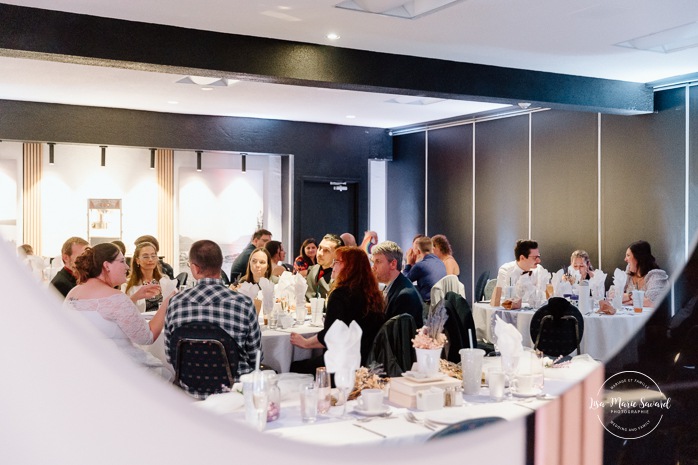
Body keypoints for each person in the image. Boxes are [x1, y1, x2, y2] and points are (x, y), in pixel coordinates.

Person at [63, 242, 173, 380]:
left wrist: (134, 297)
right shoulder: (115, 297)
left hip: (86, 368)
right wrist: (167, 303)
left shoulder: (74, 292)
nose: (127, 266)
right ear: (106, 266)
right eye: (122, 261)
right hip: (121, 371)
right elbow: (147, 337)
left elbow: (104, 315)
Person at [165, 240, 261, 391]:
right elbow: (256, 357)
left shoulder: (175, 303)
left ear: (195, 268)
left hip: (189, 392)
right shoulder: (243, 303)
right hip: (234, 393)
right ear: (220, 265)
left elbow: (170, 356)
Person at [290, 246, 386, 373]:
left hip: (341, 364)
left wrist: (305, 343)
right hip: (367, 359)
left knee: (293, 367)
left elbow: (331, 335)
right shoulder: (373, 294)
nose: (332, 265)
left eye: (336, 262)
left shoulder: (340, 295)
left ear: (350, 267)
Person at [371, 241, 424, 327]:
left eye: (378, 261)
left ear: (393, 264)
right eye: (373, 262)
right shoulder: (392, 286)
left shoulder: (404, 296)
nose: (373, 267)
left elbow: (393, 335)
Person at [623, 240, 669, 306]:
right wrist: (640, 299)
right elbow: (613, 295)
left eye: (628, 255)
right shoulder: (629, 273)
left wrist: (629, 296)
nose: (625, 259)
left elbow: (652, 301)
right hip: (630, 314)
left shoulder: (656, 275)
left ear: (638, 257)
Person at [403, 236, 447, 303]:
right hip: (441, 302)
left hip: (428, 304)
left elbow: (404, 281)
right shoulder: (441, 262)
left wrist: (408, 263)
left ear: (418, 251)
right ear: (432, 249)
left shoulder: (420, 266)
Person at [125, 241, 164, 312]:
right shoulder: (127, 284)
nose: (150, 259)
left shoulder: (164, 280)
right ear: (137, 261)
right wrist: (136, 297)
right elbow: (122, 309)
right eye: (145, 257)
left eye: (153, 256)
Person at [305, 234, 344, 301]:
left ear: (337, 255)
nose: (320, 253)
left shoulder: (341, 276)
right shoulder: (312, 270)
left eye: (326, 250)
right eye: (320, 248)